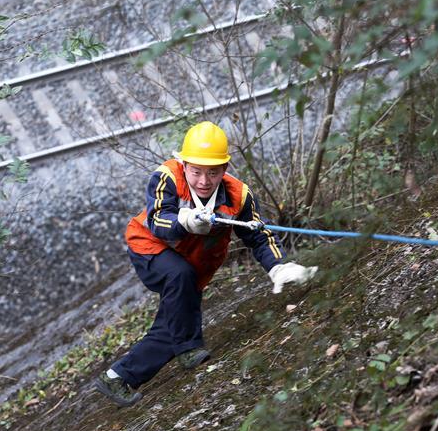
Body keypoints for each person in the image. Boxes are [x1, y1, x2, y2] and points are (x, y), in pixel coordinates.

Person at [93, 121, 317, 407]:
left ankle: (118, 377)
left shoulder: (239, 196)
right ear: (184, 164)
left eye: (212, 172)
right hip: (148, 247)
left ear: (224, 169)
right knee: (180, 278)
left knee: (177, 320)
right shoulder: (166, 177)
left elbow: (259, 235)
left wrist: (279, 266)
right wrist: (184, 220)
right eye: (196, 171)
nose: (203, 181)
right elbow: (158, 219)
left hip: (194, 262)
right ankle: (189, 349)